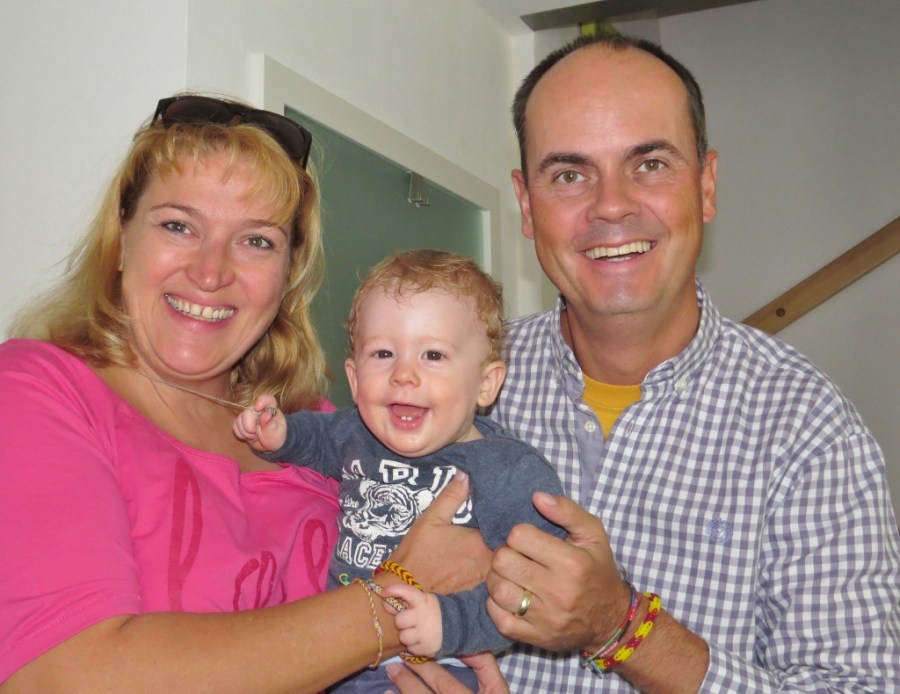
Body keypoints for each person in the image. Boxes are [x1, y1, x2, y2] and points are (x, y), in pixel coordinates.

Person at [0, 94, 507, 693]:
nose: (210, 272)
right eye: (178, 226)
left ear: (288, 274)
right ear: (121, 240)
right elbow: (67, 676)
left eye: (257, 241)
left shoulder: (320, 427)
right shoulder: (38, 392)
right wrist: (393, 602)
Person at [482, 33, 900, 692]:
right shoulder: (456, 383)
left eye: (649, 164)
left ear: (706, 186)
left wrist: (622, 627)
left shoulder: (810, 430)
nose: (611, 205)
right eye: (569, 174)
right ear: (526, 204)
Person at [234, 249, 567, 693]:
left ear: (486, 384)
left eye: (433, 355)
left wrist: (449, 622)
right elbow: (318, 437)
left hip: (436, 667)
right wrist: (280, 434)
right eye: (383, 353)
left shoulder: (508, 471)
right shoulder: (355, 433)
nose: (404, 375)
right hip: (339, 653)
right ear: (355, 380)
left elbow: (534, 589)